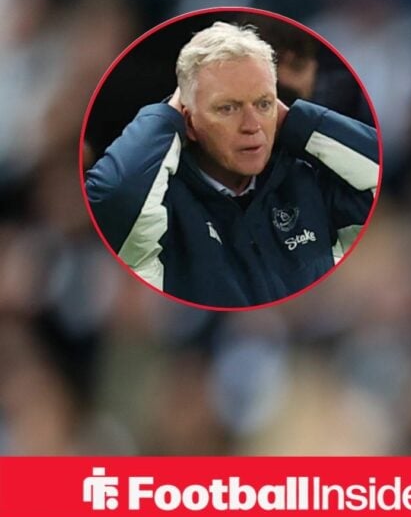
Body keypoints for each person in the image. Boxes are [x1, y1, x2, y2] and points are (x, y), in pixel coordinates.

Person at [85, 21, 380, 308]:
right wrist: (166, 115)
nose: (252, 126)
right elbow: (113, 195)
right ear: (188, 120)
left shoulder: (310, 182)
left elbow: (380, 173)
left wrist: (297, 122)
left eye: (263, 104)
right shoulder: (162, 208)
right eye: (228, 107)